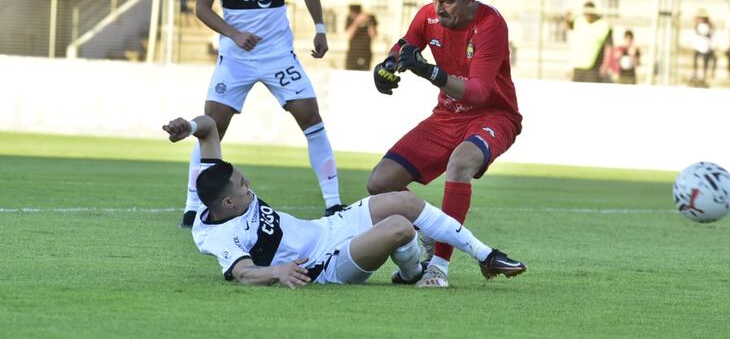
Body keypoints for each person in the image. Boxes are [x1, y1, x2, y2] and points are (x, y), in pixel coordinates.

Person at [163, 114, 526, 287]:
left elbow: (209, 127)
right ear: (227, 205)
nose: (249, 185)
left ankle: (485, 256)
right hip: (324, 265)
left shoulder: (215, 184)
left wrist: (189, 128)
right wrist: (278, 271)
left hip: (326, 229)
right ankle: (414, 273)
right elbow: (241, 272)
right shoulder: (217, 235)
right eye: (243, 186)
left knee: (400, 199)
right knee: (400, 228)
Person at [182, 0, 344, 228]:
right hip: (236, 58)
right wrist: (233, 34)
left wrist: (320, 28)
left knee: (312, 120)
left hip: (277, 56)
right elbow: (201, 8)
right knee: (210, 128)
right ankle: (192, 205)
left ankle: (333, 203)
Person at [368, 0, 523, 288]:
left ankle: (438, 269)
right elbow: (405, 47)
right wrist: (386, 67)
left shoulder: (490, 24)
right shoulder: (428, 16)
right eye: (435, 0)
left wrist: (429, 72)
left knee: (460, 163)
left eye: (447, 2)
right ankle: (428, 230)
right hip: (446, 117)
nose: (438, 9)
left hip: (494, 116)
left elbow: (480, 93)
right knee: (380, 183)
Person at [566, 1, 613, 83]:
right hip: (578, 65)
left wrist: (605, 65)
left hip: (594, 67)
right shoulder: (579, 21)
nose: (586, 16)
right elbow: (568, 25)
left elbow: (609, 47)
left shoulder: (603, 25)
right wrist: (568, 13)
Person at [345, 4, 377, 71]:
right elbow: (350, 34)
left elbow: (373, 35)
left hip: (365, 53)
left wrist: (369, 22)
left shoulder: (371, 18)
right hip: (352, 54)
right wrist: (356, 22)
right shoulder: (350, 19)